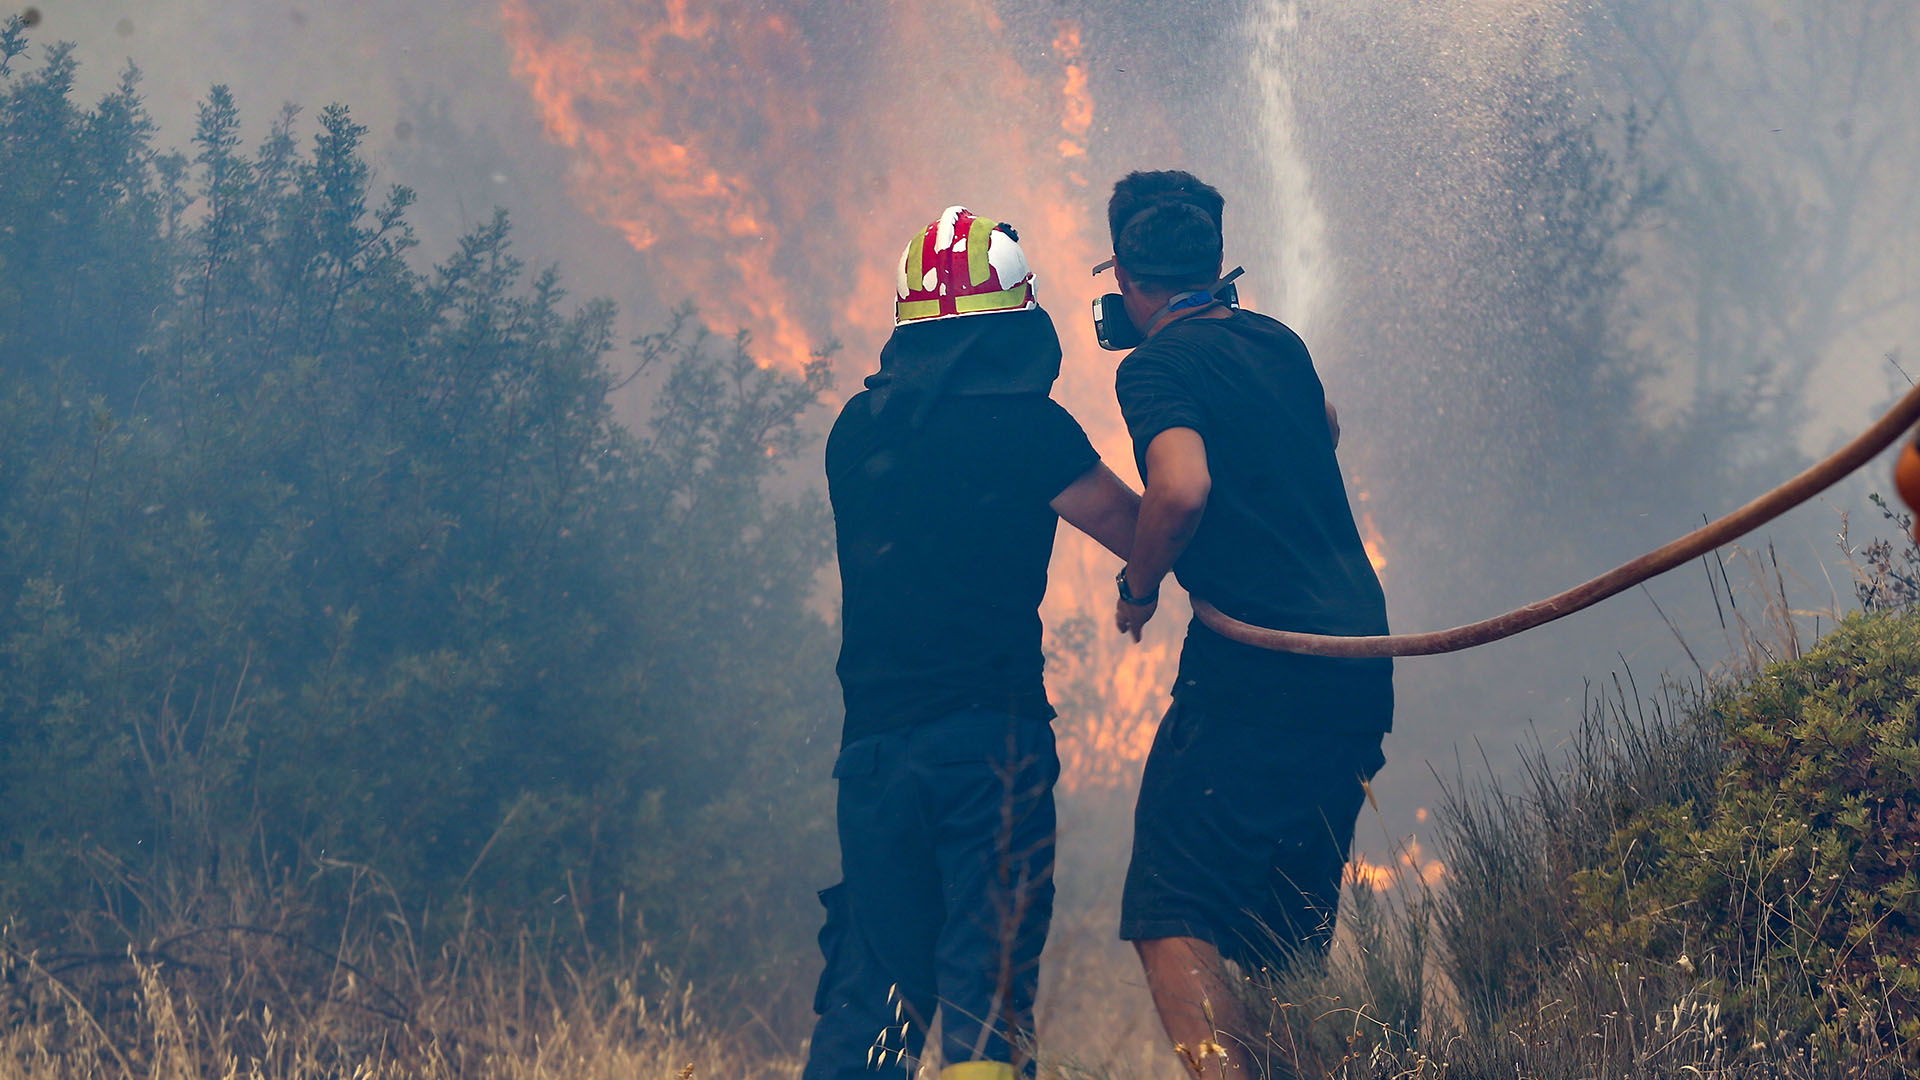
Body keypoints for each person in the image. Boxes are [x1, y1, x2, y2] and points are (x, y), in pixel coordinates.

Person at [805, 206, 1140, 1080]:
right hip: (988, 747)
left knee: (873, 992)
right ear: (1017, 323)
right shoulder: (1030, 428)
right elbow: (1136, 532)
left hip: (873, 758)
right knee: (986, 996)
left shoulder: (856, 430)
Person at [1100, 171, 1394, 1078]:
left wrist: (1140, 583)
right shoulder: (1278, 342)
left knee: (1168, 911)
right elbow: (1326, 425)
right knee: (1282, 943)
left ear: (1128, 281)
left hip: (1257, 670)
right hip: (1357, 670)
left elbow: (1182, 487)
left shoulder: (1155, 366)